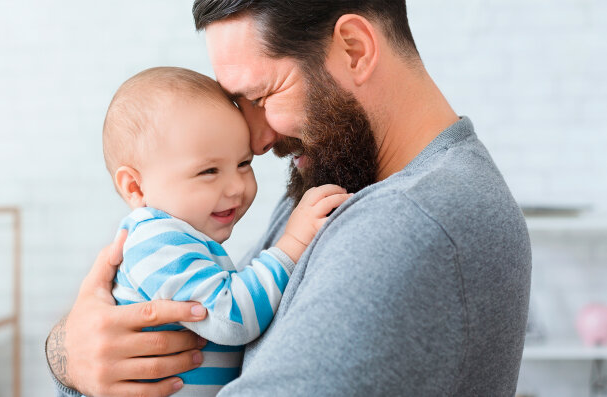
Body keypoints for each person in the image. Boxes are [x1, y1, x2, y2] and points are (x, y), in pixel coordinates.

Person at [47, 1, 532, 396]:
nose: (256, 142)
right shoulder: (337, 176)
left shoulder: (411, 220)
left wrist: (69, 360)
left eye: (261, 97)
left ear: (354, 49)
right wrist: (73, 351)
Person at [102, 66, 350, 395]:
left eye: (244, 164)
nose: (236, 186)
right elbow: (230, 316)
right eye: (209, 171)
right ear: (135, 187)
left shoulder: (182, 240)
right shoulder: (156, 242)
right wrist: (292, 245)